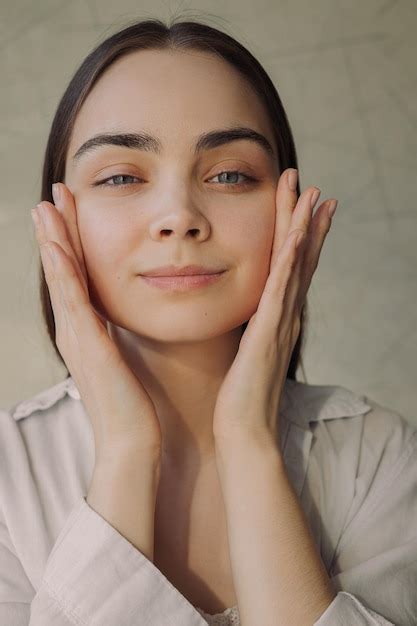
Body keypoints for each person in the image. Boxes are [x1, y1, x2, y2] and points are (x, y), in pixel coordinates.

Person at [1, 16, 416, 626]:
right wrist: (125, 450)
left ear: (287, 206)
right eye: (120, 177)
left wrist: (249, 441)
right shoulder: (10, 475)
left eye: (230, 174)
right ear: (61, 218)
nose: (178, 216)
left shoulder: (376, 455)